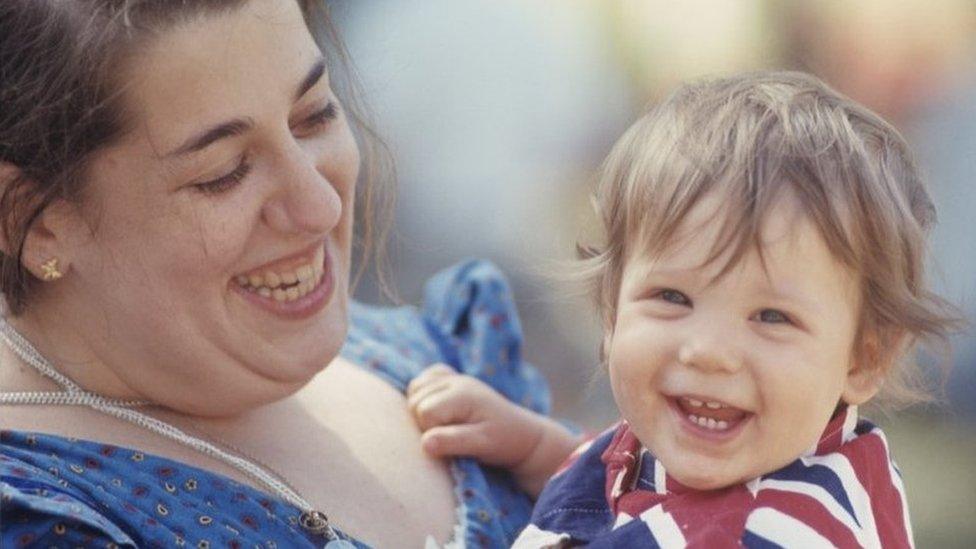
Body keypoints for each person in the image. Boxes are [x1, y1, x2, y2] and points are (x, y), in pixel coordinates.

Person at [0, 1, 551, 547]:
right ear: (33, 219)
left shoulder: (437, 357)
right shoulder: (42, 515)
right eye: (223, 174)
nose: (320, 207)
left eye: (315, 116)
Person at [407, 71, 960, 547]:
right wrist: (537, 448)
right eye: (673, 298)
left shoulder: (769, 533)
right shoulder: (765, 448)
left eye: (771, 317)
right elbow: (636, 481)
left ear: (863, 357)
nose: (709, 352)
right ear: (611, 308)